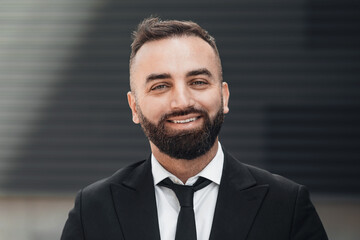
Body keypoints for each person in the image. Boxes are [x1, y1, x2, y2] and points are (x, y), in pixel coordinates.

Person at [61, 17, 328, 240]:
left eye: (198, 82)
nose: (182, 102)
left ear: (224, 97)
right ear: (134, 107)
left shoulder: (286, 206)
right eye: (160, 86)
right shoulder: (93, 210)